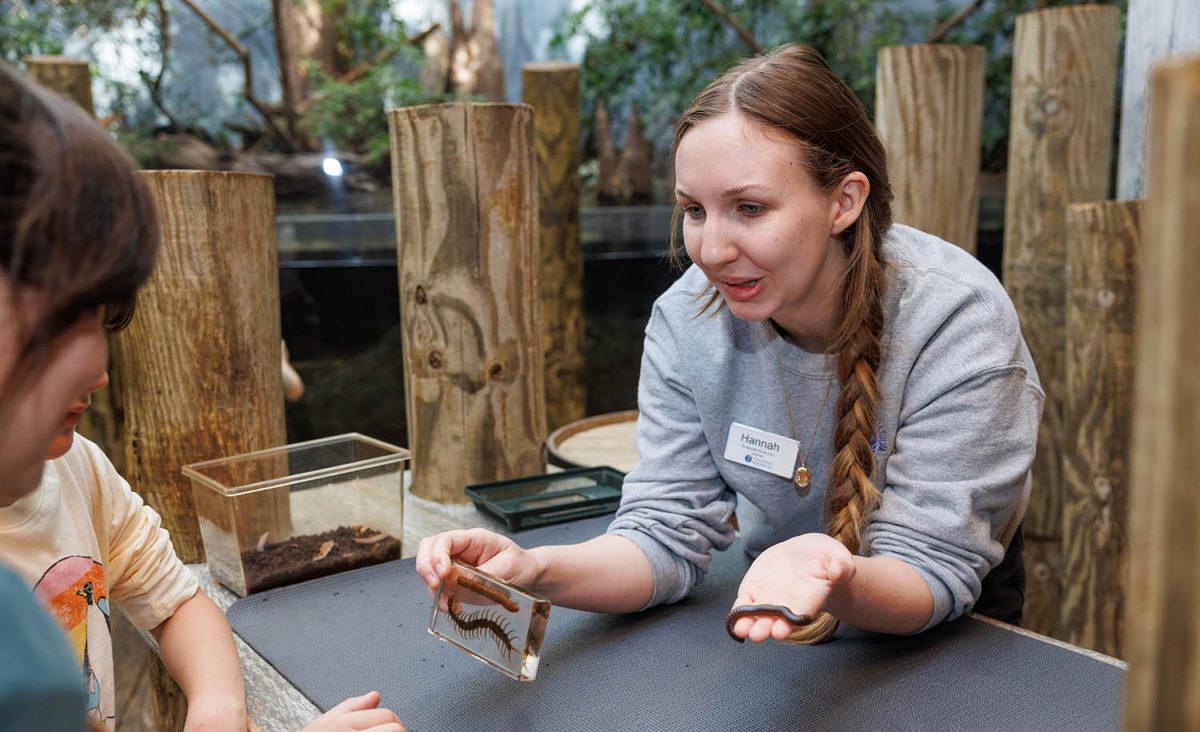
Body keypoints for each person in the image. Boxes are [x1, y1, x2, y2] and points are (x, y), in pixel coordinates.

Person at [417, 44, 1042, 645]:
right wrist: (535, 571)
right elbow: (665, 533)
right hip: (771, 607)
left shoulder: (957, 322)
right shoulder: (689, 319)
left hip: (942, 628)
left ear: (844, 201)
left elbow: (931, 566)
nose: (711, 251)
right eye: (695, 210)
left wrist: (833, 578)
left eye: (749, 207)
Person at [0, 63, 405, 732]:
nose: (99, 369)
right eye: (69, 316)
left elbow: (178, 601)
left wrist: (217, 706)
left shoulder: (79, 471)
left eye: (104, 324)